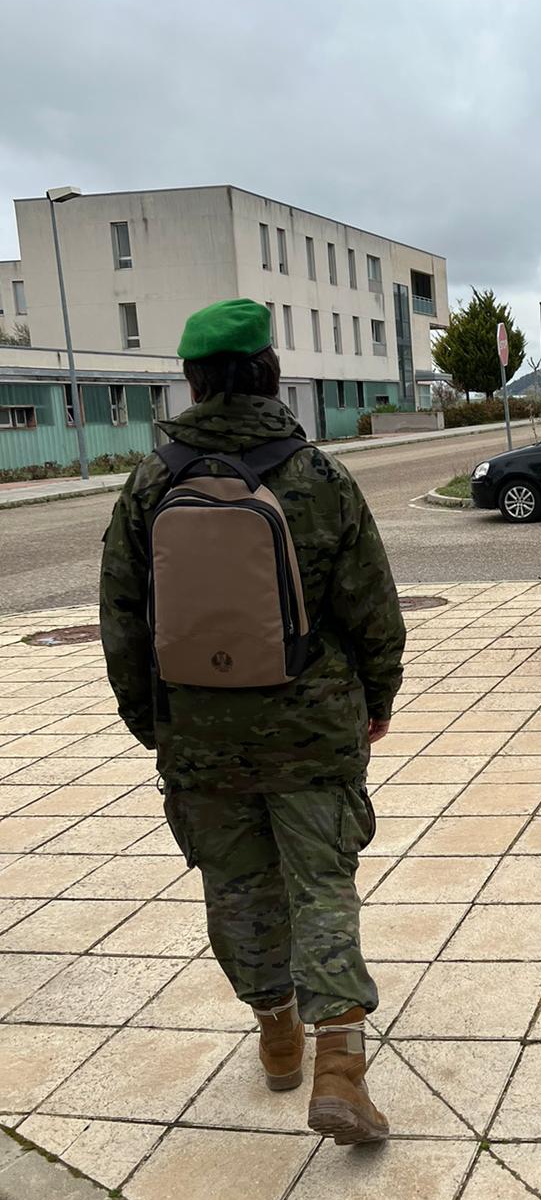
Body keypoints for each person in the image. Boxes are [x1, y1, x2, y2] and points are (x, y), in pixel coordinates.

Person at [99, 298, 405, 1145]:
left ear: (192, 382)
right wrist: (376, 699)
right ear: (269, 373)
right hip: (311, 731)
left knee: (236, 887)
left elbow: (121, 616)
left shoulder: (148, 483)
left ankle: (277, 1033)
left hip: (198, 738)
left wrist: (151, 723)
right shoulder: (318, 478)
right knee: (321, 886)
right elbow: (374, 609)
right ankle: (340, 1063)